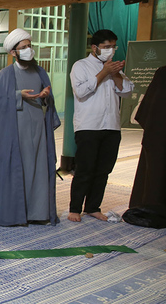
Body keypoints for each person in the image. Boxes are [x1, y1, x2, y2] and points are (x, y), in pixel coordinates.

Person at [0, 29, 60, 226]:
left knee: (38, 169)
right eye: (23, 47)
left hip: (38, 130)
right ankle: (16, 213)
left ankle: (37, 212)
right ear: (13, 52)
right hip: (15, 131)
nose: (28, 50)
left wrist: (44, 96)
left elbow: (47, 99)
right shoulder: (5, 75)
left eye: (29, 46)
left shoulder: (40, 71)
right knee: (20, 169)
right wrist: (19, 96)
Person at [68, 29, 134, 222]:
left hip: (111, 127)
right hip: (88, 126)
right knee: (85, 169)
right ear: (94, 47)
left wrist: (114, 74)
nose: (110, 50)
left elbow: (128, 91)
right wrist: (104, 72)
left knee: (104, 169)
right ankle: (74, 208)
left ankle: (93, 207)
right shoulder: (80, 66)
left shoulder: (115, 69)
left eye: (113, 47)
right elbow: (80, 92)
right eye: (106, 47)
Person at [130, 65, 166, 210]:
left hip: (156, 137)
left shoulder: (162, 73)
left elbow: (144, 113)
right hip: (158, 137)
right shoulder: (163, 74)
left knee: (153, 176)